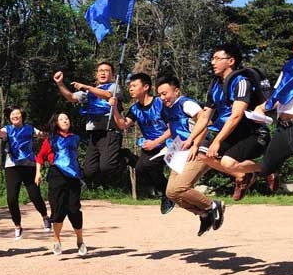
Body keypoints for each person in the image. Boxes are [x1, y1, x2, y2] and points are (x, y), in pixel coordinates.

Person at [234, 31, 293, 192]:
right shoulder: (288, 66)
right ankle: (249, 175)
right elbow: (278, 95)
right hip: (282, 128)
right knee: (265, 167)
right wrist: (262, 108)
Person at [189, 44, 271, 201]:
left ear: (231, 61)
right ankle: (243, 175)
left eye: (217, 58)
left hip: (252, 133)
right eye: (212, 58)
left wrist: (217, 142)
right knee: (202, 154)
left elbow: (236, 116)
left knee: (227, 163)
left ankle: (267, 169)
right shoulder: (215, 84)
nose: (212, 62)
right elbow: (205, 116)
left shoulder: (241, 82)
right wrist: (190, 140)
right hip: (230, 133)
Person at [157, 77, 226, 236]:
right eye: (159, 95)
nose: (162, 97)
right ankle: (204, 214)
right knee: (171, 193)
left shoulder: (186, 104)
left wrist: (195, 144)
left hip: (200, 147)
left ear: (176, 91)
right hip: (181, 151)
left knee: (180, 187)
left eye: (165, 93)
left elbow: (206, 122)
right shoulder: (168, 109)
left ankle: (213, 206)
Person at [108, 73, 176, 213]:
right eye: (129, 86)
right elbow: (122, 124)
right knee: (140, 170)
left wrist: (155, 142)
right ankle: (166, 193)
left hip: (167, 143)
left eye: (134, 85)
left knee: (150, 165)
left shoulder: (160, 103)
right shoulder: (135, 109)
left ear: (145, 87)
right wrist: (114, 108)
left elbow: (172, 129)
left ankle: (168, 194)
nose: (130, 89)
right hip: (150, 145)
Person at [53, 62, 124, 185]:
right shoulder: (88, 94)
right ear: (96, 74)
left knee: (107, 167)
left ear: (112, 75)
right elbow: (71, 97)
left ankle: (124, 156)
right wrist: (60, 84)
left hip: (110, 132)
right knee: (89, 171)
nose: (103, 73)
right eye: (100, 70)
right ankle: (96, 185)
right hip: (95, 134)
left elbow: (107, 95)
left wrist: (86, 87)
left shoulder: (114, 87)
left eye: (107, 70)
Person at [0, 106, 51, 241]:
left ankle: (45, 217)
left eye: (17, 114)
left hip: (29, 165)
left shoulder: (30, 128)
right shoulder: (7, 129)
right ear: (9, 117)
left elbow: (43, 135)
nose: (15, 116)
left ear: (22, 116)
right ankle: (17, 226)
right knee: (11, 199)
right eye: (12, 115)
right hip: (12, 166)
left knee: (35, 196)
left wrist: (52, 130)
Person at [35, 112, 87, 256]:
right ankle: (57, 240)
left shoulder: (75, 138)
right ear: (56, 123)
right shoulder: (51, 139)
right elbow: (40, 157)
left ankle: (80, 241)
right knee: (58, 210)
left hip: (73, 176)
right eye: (61, 119)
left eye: (67, 119)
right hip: (57, 175)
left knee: (74, 209)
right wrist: (38, 173)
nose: (65, 121)